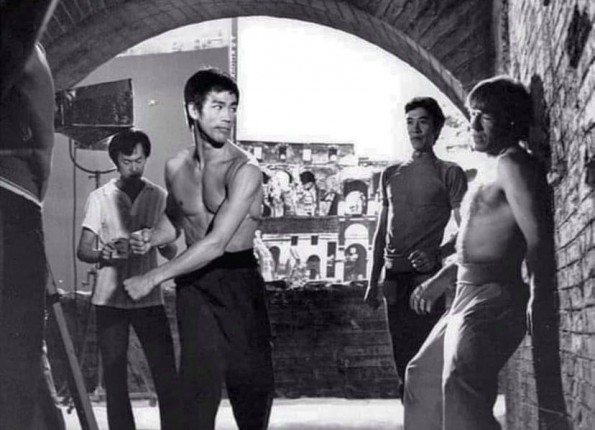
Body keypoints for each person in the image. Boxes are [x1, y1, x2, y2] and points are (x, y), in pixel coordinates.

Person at [123, 68, 274, 430]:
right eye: (218, 106)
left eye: (233, 107)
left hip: (238, 282)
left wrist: (153, 277)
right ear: (194, 110)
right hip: (195, 286)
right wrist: (151, 236)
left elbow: (217, 242)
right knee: (196, 390)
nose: (228, 116)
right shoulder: (176, 166)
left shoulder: (245, 169)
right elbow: (175, 219)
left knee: (250, 393)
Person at [404, 76, 553, 430]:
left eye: (483, 116)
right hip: (465, 293)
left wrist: (538, 296)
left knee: (461, 385)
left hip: (494, 296)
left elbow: (537, 239)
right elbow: (478, 238)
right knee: (422, 376)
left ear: (509, 120)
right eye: (472, 114)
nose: (473, 124)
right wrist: (443, 274)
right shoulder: (491, 167)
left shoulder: (513, 164)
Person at [76, 129, 181, 430]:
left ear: (146, 158)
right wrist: (105, 253)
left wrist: (155, 239)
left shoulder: (159, 196)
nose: (134, 168)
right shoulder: (100, 198)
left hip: (148, 297)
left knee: (165, 373)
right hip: (109, 300)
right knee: (114, 378)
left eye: (139, 161)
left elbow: (172, 251)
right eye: (127, 161)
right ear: (115, 161)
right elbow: (83, 250)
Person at [363, 97, 468, 397]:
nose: (415, 129)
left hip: (426, 279)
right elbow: (381, 232)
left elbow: (468, 229)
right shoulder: (391, 174)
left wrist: (438, 253)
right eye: (410, 122)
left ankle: (432, 418)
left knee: (427, 364)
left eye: (422, 122)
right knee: (403, 366)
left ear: (436, 128)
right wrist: (372, 281)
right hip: (392, 279)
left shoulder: (450, 172)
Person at [0, 21, 60, 427]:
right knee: (19, 350)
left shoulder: (19, 44)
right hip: (15, 196)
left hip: (12, 194)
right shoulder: (24, 47)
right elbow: (42, 145)